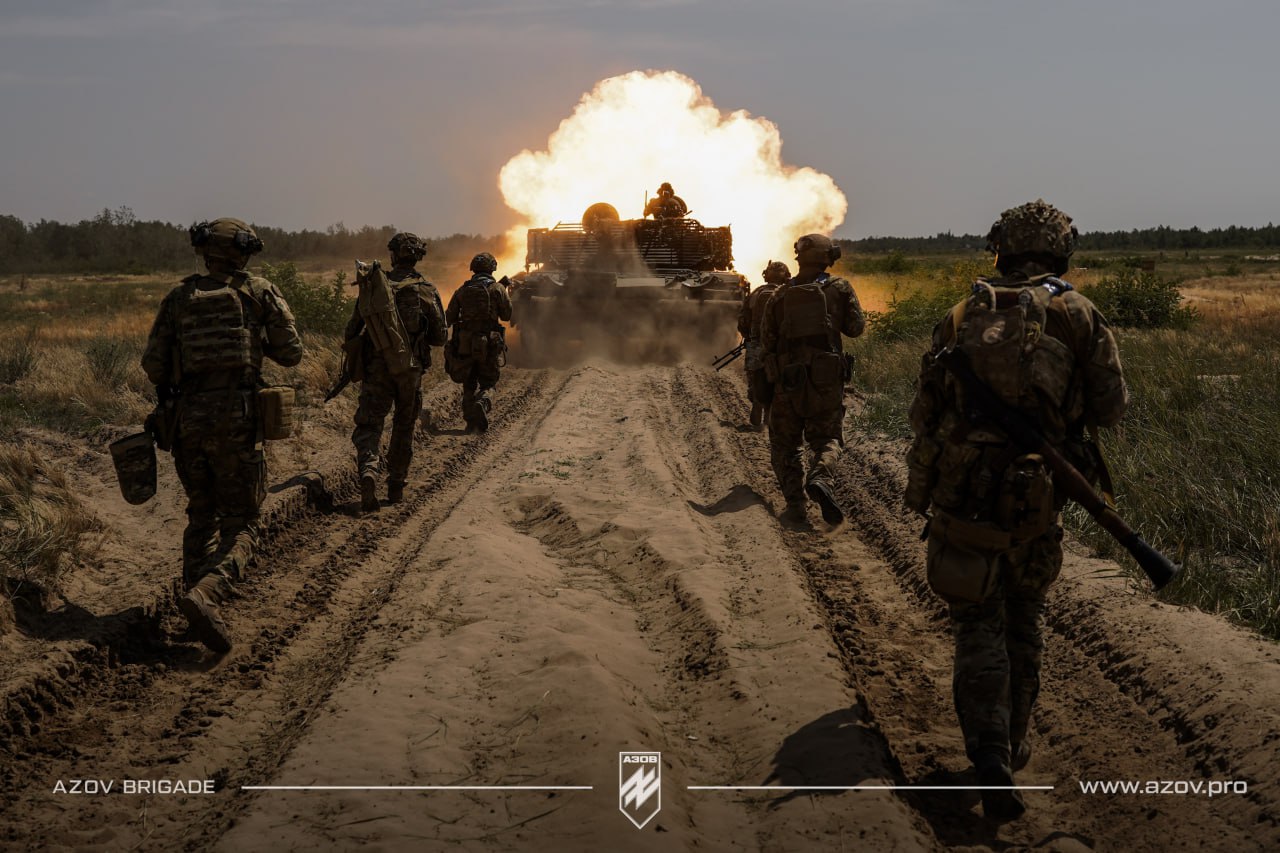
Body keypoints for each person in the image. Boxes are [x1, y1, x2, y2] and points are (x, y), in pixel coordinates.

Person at [905, 199, 1128, 820]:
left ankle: (988, 752)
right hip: (1037, 494)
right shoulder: (1077, 314)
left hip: (963, 492)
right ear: (1062, 249)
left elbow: (925, 413)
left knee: (976, 622)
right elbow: (1111, 409)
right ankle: (1012, 738)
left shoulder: (960, 315)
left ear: (999, 246)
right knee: (1025, 617)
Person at [142, 217, 303, 653]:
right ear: (243, 253)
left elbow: (154, 366)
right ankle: (206, 594)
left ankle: (195, 608)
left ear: (205, 251)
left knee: (201, 515)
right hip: (237, 421)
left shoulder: (178, 297)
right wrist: (253, 342)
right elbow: (291, 353)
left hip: (187, 423)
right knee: (244, 522)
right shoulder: (258, 292)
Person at [760, 234, 864, 527]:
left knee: (785, 445)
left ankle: (795, 506)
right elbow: (856, 328)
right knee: (827, 439)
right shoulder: (840, 288)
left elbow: (767, 341)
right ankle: (820, 477)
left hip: (788, 379)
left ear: (799, 257)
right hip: (826, 377)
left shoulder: (779, 295)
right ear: (826, 258)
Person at [345, 232, 447, 512]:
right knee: (404, 425)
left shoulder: (376, 286)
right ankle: (396, 486)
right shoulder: (426, 290)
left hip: (377, 369)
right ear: (418, 257)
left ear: (392, 255)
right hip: (410, 371)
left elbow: (352, 330)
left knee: (370, 424)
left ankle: (368, 469)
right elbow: (440, 337)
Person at [445, 253, 512, 433]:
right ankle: (483, 401)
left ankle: (470, 422)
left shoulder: (462, 290)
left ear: (473, 269)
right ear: (492, 268)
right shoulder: (497, 289)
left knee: (469, 383)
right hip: (489, 343)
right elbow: (507, 315)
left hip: (465, 343)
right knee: (489, 382)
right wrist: (503, 292)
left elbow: (449, 317)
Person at [737, 260, 790, 430]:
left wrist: (749, 337)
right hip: (780, 347)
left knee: (755, 378)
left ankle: (757, 402)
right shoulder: (788, 293)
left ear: (766, 276)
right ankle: (769, 412)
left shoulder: (756, 293)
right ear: (786, 276)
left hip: (756, 344)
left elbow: (742, 320)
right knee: (777, 379)